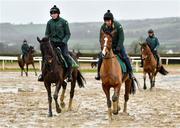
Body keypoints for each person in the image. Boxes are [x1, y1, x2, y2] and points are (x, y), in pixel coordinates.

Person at [95, 10, 135, 80]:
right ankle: (98, 74)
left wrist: (118, 47)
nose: (107, 22)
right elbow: (101, 39)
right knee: (101, 57)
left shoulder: (118, 26)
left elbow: (121, 38)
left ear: (112, 20)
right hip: (107, 47)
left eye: (108, 21)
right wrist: (103, 47)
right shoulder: (103, 27)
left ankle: (130, 73)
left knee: (125, 57)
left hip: (118, 46)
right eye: (105, 21)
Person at [38, 5, 72, 82]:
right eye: (51, 13)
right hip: (52, 43)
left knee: (66, 56)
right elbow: (47, 34)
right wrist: (46, 40)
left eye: (54, 13)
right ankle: (42, 74)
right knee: (46, 57)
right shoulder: (49, 23)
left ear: (58, 14)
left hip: (62, 43)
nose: (53, 15)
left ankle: (69, 74)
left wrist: (64, 41)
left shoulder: (64, 22)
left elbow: (68, 34)